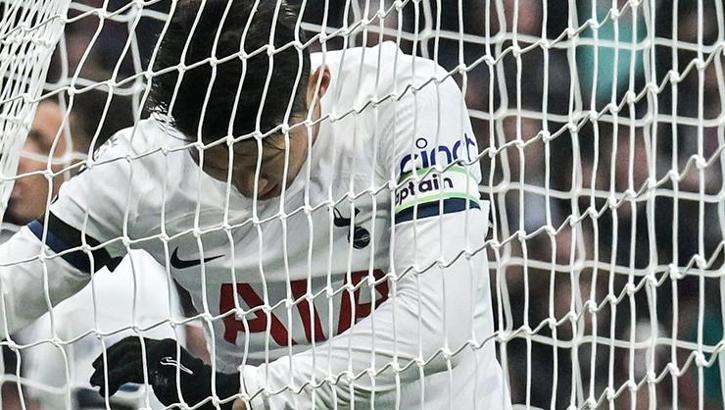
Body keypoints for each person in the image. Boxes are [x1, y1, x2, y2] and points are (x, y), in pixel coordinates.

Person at [0, 0, 510, 409]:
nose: (251, 183)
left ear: (317, 88)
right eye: (219, 166)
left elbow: (439, 324)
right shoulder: (147, 166)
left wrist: (241, 391)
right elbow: (13, 284)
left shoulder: (405, 100)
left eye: (265, 157)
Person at [1, 93, 185, 409]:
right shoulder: (33, 261)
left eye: (41, 145)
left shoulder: (119, 280)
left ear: (89, 166)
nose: (18, 158)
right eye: (20, 139)